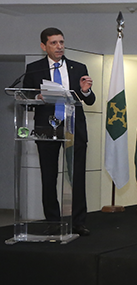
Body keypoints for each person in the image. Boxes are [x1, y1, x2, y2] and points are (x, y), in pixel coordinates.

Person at [23, 28, 95, 236]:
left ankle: (78, 222)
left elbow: (90, 100)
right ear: (43, 46)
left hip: (74, 129)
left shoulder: (78, 67)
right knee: (49, 176)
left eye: (61, 42)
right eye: (53, 43)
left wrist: (85, 91)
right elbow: (26, 99)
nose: (59, 46)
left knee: (77, 176)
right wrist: (36, 98)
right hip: (47, 128)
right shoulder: (34, 69)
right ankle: (53, 222)